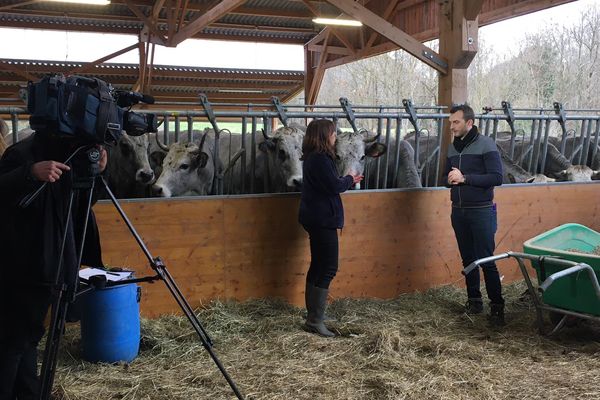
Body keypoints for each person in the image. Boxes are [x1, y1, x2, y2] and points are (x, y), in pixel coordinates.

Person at [0, 131, 107, 399]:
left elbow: (83, 205)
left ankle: (27, 393)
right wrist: (29, 173)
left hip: (56, 263)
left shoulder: (71, 159)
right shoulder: (21, 154)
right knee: (13, 339)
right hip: (22, 264)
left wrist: (96, 172)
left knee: (27, 337)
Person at [298, 119, 363, 337]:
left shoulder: (312, 158)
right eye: (333, 134)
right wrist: (349, 179)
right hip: (322, 219)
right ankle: (315, 320)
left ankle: (314, 316)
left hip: (315, 217)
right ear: (324, 135)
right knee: (328, 267)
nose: (335, 137)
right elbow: (333, 186)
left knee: (317, 266)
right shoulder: (320, 159)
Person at [444, 104, 505, 326]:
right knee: (468, 259)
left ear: (469, 123)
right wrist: (449, 180)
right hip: (458, 211)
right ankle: (474, 301)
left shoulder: (486, 145)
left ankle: (497, 307)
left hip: (481, 211)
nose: (452, 126)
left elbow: (497, 177)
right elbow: (445, 178)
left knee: (486, 260)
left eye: (456, 122)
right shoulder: (452, 148)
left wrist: (465, 178)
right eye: (451, 122)